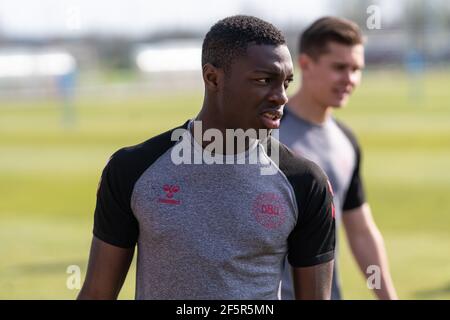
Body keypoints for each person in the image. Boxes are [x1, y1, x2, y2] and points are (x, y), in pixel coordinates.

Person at [78, 15, 335, 300]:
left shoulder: (305, 182)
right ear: (213, 78)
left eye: (286, 83)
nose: (282, 96)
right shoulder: (132, 169)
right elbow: (97, 294)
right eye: (264, 80)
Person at [280, 16, 398, 300]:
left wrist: (387, 297)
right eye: (340, 68)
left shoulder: (346, 140)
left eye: (356, 69)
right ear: (306, 64)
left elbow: (360, 231)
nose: (350, 79)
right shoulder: (265, 134)